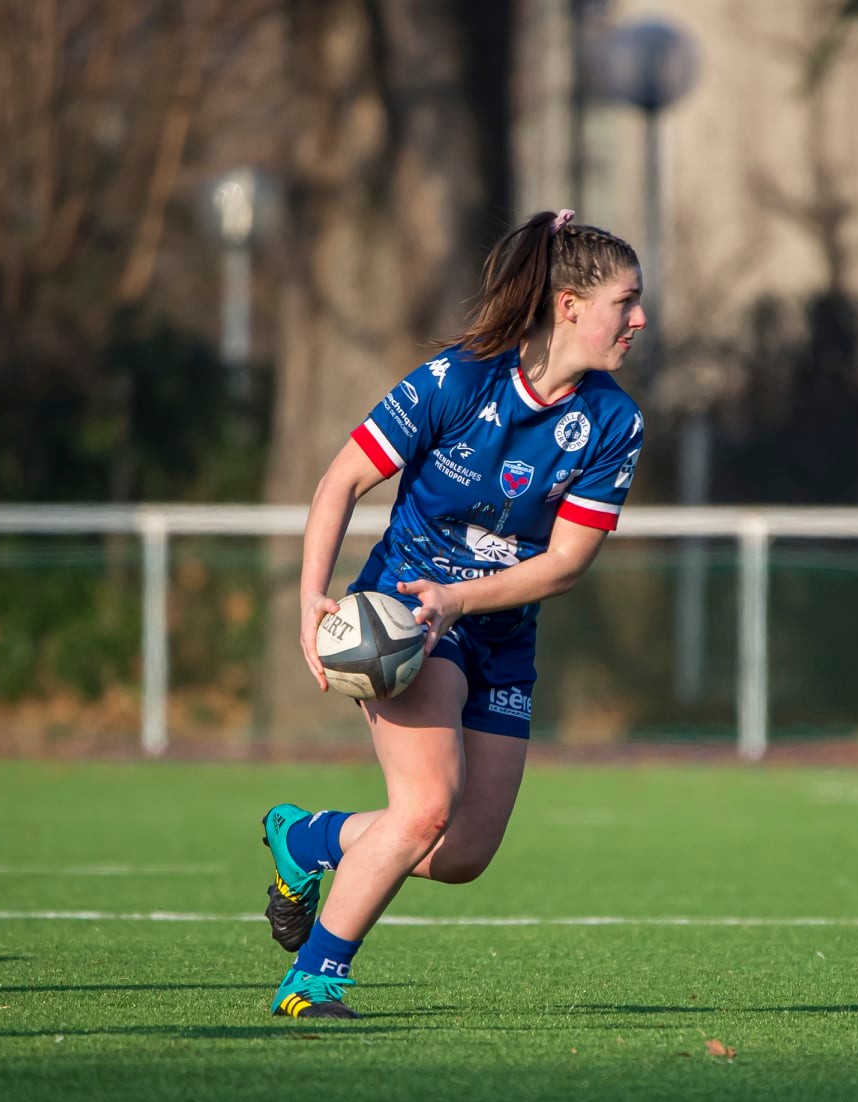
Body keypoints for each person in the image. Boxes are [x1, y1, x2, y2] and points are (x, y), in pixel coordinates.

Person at [260, 209, 647, 1019]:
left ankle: (310, 839)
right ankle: (315, 978)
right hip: (401, 620)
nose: (640, 320)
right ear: (570, 305)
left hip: (498, 632)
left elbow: (566, 565)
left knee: (463, 853)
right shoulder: (458, 380)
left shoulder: (614, 422)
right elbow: (339, 484)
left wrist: (461, 600)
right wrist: (311, 602)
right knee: (424, 807)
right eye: (627, 302)